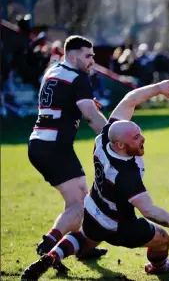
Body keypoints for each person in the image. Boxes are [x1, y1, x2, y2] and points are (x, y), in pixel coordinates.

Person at [21, 79, 169, 280]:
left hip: (94, 209)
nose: (142, 138)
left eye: (139, 133)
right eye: (135, 138)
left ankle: (51, 256)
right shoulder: (125, 174)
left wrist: (157, 88)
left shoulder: (105, 138)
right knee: (163, 239)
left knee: (84, 238)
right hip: (120, 226)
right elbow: (149, 211)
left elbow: (130, 100)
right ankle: (158, 267)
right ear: (120, 145)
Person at [28, 35, 109, 267]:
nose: (92, 60)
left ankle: (77, 249)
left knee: (79, 200)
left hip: (40, 143)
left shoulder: (52, 71)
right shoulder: (78, 77)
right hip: (55, 147)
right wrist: (113, 138)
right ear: (72, 56)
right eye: (88, 56)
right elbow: (91, 116)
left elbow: (63, 103)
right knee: (81, 205)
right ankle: (48, 247)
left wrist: (83, 103)